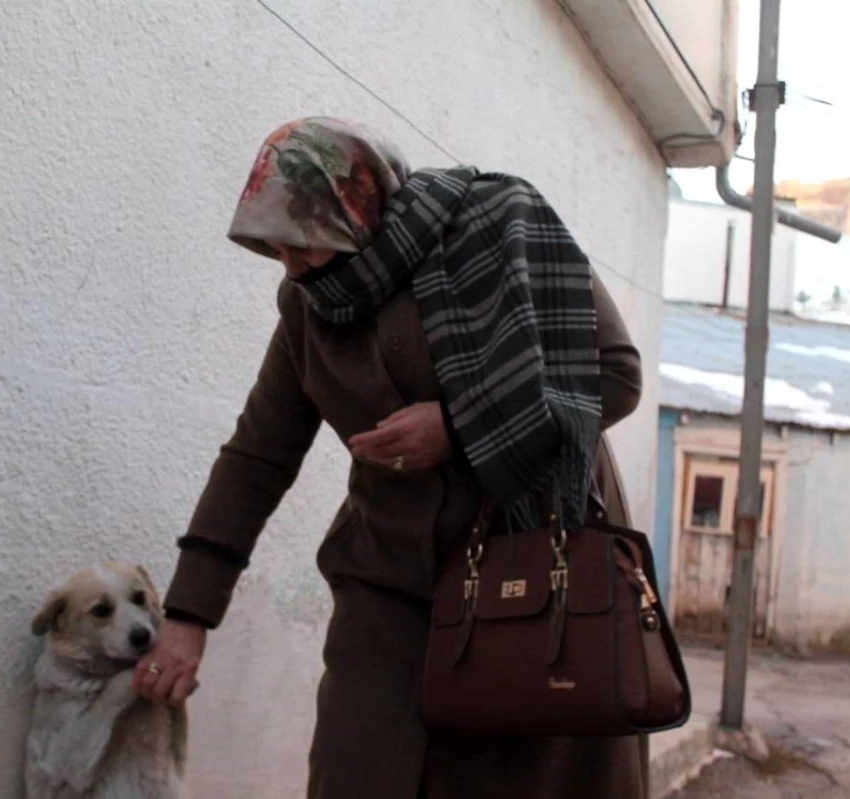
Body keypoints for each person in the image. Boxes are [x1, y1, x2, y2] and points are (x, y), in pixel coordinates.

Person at [134, 117, 645, 798]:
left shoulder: (496, 227)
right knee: (359, 769)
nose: (290, 265)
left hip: (527, 575)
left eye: (304, 240)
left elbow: (612, 373)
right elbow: (257, 457)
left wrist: (460, 427)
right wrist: (189, 612)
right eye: (274, 243)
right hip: (389, 588)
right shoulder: (308, 307)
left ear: (359, 205)